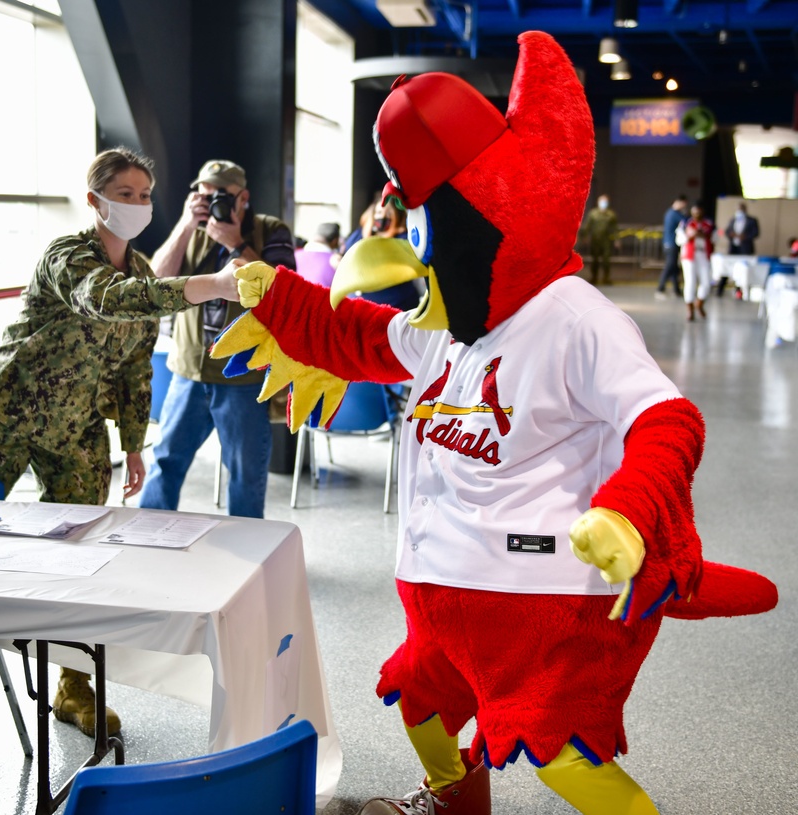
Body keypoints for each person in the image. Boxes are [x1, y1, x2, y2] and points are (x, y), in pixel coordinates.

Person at [213, 32, 776, 815]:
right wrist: (276, 296)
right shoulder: (445, 323)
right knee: (423, 707)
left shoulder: (573, 318)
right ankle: (453, 803)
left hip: (546, 603)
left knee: (564, 759)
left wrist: (626, 507)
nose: (419, 258)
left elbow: (666, 419)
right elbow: (361, 336)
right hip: (447, 600)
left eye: (435, 234)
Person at [0, 147, 243, 739]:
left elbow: (134, 367)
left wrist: (132, 444)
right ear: (94, 199)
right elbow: (105, 299)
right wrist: (212, 284)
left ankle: (73, 687)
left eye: (144, 195)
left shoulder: (145, 275)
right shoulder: (68, 256)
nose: (136, 204)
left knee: (82, 559)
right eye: (124, 193)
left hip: (73, 426)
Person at [138, 159, 296, 518]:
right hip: (189, 372)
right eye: (204, 194)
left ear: (244, 198)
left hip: (244, 375)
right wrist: (183, 225)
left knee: (245, 473)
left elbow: (284, 295)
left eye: (222, 195)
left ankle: (248, 555)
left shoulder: (271, 230)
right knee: (165, 461)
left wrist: (237, 244)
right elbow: (153, 286)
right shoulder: (191, 231)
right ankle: (144, 539)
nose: (212, 204)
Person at [357, 198, 424, 313]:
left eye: (388, 213)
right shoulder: (362, 238)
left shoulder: (404, 240)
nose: (382, 217)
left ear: (397, 217)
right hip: (367, 307)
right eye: (378, 212)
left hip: (398, 308)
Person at [678, 200, 715, 321]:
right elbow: (679, 240)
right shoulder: (685, 223)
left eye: (699, 211)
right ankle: (690, 309)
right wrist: (690, 236)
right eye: (695, 211)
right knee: (690, 282)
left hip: (703, 255)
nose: (697, 213)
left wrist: (705, 235)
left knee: (706, 282)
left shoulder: (709, 224)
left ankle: (699, 304)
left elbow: (715, 238)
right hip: (689, 255)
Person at [717, 201, 760, 296]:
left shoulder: (752, 220)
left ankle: (739, 291)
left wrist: (745, 236)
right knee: (727, 267)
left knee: (743, 269)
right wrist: (731, 235)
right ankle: (720, 289)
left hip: (745, 248)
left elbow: (756, 233)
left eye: (742, 208)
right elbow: (727, 231)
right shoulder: (733, 219)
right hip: (733, 248)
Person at [582, 194, 619, 285]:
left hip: (606, 240)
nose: (603, 204)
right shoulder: (593, 214)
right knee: (595, 260)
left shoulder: (611, 215)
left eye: (605, 202)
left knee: (606, 260)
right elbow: (588, 226)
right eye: (602, 201)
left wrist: (617, 240)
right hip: (595, 240)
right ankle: (594, 277)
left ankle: (606, 278)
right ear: (598, 203)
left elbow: (615, 228)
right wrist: (585, 236)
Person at [656, 194, 687, 299]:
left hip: (669, 244)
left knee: (674, 267)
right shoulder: (674, 214)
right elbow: (685, 221)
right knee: (670, 266)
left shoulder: (669, 213)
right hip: (671, 244)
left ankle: (676, 290)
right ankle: (660, 288)